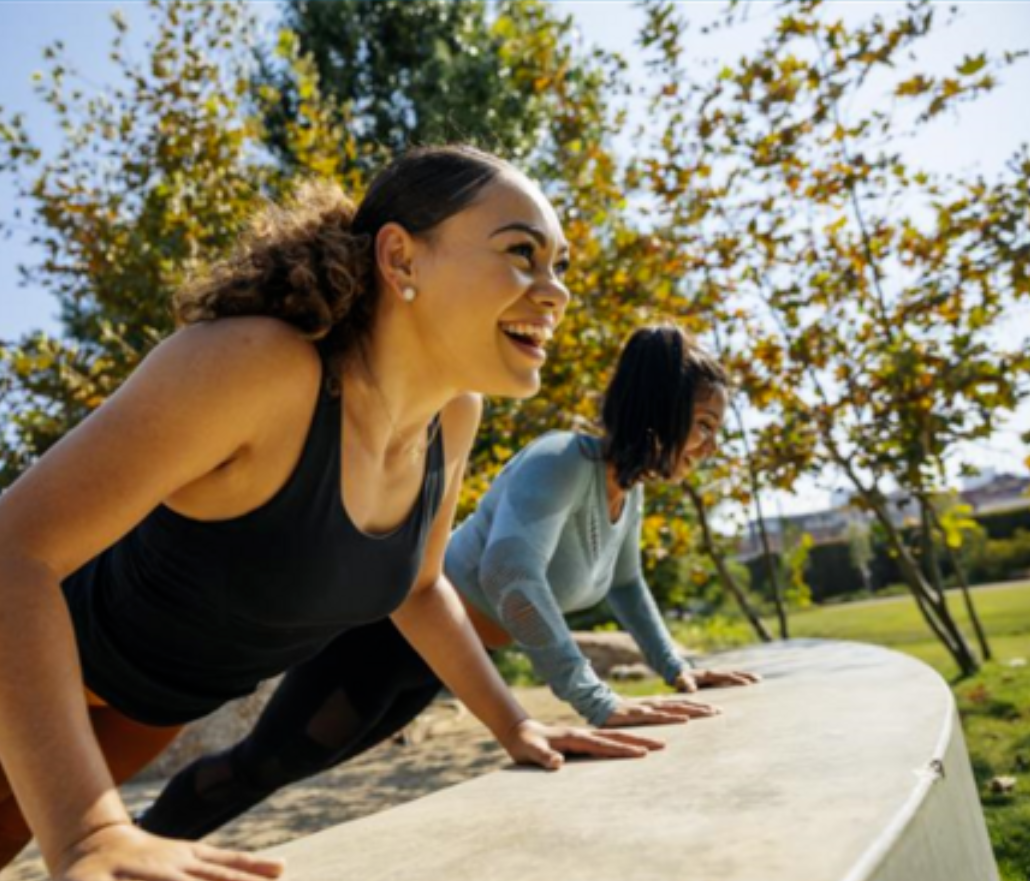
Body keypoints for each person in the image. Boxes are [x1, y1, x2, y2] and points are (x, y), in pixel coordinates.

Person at [0, 145, 665, 881]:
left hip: (157, 696)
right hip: (35, 649)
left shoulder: (452, 416)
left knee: (2, 830)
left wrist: (518, 726)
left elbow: (418, 587)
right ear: (400, 259)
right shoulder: (258, 367)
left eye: (559, 266)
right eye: (521, 254)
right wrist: (89, 827)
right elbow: (0, 558)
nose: (552, 291)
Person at [138, 324, 761, 842]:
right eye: (704, 423)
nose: (709, 444)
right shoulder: (563, 462)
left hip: (442, 662)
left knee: (288, 767)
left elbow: (627, 586)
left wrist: (678, 667)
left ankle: (150, 851)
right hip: (385, 639)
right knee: (266, 764)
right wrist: (597, 701)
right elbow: (510, 575)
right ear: (662, 408)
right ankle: (137, 841)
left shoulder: (627, 493)